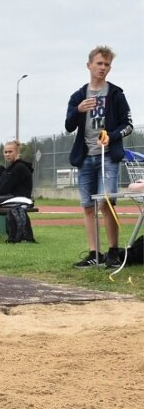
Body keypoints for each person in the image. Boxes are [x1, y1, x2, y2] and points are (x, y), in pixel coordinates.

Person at [65, 46, 134, 269]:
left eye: (106, 65)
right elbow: (68, 126)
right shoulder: (78, 95)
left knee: (106, 202)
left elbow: (128, 125)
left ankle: (113, 251)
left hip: (108, 157)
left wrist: (111, 137)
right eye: (99, 64)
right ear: (89, 65)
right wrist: (78, 110)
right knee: (87, 206)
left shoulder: (115, 94)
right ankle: (95, 253)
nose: (102, 68)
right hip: (86, 157)